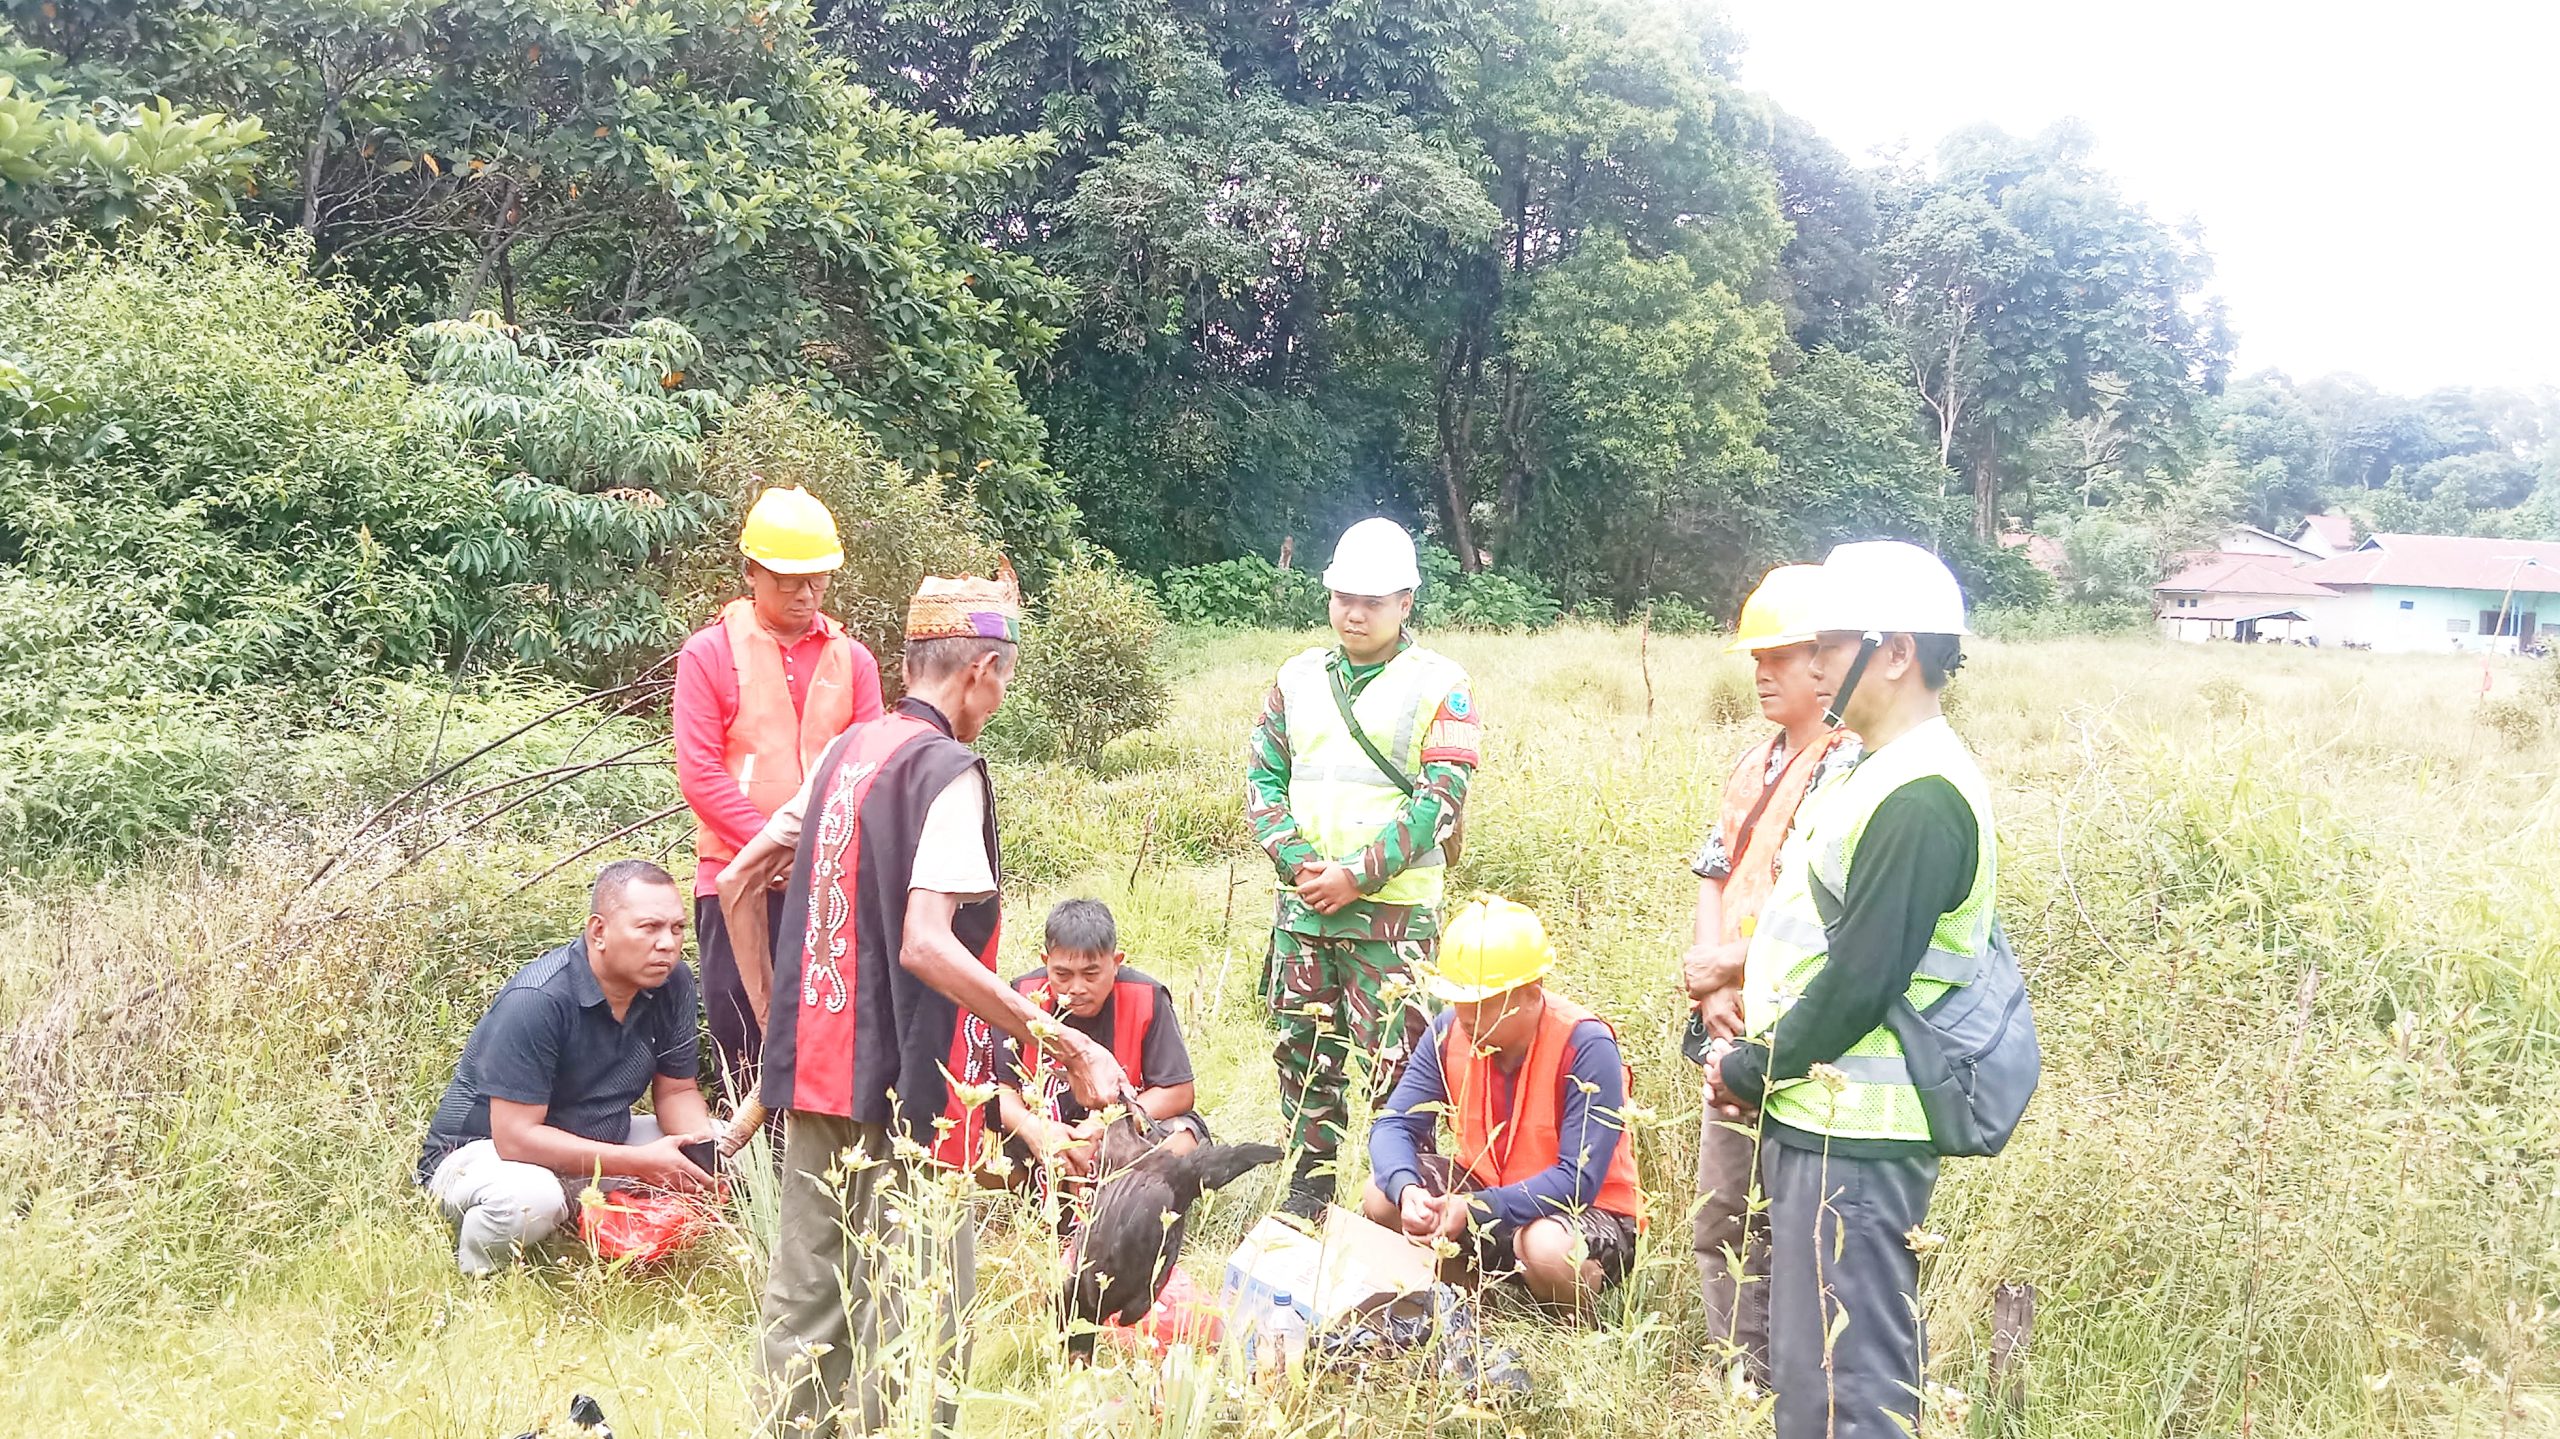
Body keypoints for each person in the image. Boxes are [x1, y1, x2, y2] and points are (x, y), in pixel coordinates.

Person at [714, 568, 1130, 1438]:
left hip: (814, 1077)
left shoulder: (844, 752)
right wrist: (1068, 1045)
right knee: (918, 1308)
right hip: (912, 1081)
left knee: (806, 1304)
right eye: (1005, 677)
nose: (1002, 696)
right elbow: (925, 943)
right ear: (980, 668)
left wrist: (776, 1014)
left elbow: (740, 876)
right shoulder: (948, 771)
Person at [1706, 540, 1998, 1439]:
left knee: (1854, 1382)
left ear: (1898, 652)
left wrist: (1759, 1063)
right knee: (1810, 1373)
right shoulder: (1873, 770)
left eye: (1832, 642)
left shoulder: (1922, 795)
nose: (1816, 659)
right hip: (1821, 1116)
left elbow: (1863, 977)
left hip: (1861, 1138)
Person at [1247, 517, 1479, 1218]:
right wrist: (1300, 865)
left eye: (1373, 601)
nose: (1354, 611)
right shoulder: (1296, 677)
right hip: (1305, 911)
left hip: (1393, 921)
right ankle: (1308, 1190)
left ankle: (1399, 1203)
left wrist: (1355, 874)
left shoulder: (1442, 684)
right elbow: (1263, 780)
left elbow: (1442, 800)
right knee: (1303, 1052)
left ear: (1406, 602)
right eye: (1343, 595)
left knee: (1401, 1068)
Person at [1682, 564, 1861, 1385]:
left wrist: (1736, 964)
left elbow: (1847, 920)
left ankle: (1799, 1380)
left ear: (1829, 659)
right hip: (1731, 1025)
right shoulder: (1753, 763)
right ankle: (1737, 1379)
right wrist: (1715, 981)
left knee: (1798, 1218)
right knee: (1721, 1209)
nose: (1763, 674)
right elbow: (1715, 872)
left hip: (1804, 1029)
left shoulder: (1856, 768)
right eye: (1756, 657)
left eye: (1781, 657)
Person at [673, 484, 881, 1106]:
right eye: (788, 579)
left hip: (827, 882)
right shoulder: (708, 654)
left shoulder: (855, 660)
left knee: (823, 1032)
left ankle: (811, 1178)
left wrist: (813, 853)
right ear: (752, 574)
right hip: (734, 879)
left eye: (816, 579)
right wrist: (773, 848)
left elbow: (872, 768)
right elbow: (700, 773)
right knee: (740, 1032)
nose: (805, 594)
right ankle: (745, 1185)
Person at [416, 860, 716, 1276]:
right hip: (484, 1156)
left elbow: (677, 1091)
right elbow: (515, 1139)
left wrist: (701, 1156)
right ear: (598, 932)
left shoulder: (672, 982)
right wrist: (640, 1164)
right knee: (530, 1198)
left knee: (722, 1146)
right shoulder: (538, 998)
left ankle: (590, 1225)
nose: (667, 943)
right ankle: (481, 1278)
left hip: (596, 1141)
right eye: (649, 927)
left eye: (677, 928)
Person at [1362, 895, 1642, 1315]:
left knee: (1547, 1247)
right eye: (1459, 999)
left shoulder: (1586, 1046)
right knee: (1379, 1193)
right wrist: (1408, 1191)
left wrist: (1474, 1208)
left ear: (1531, 993)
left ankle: (1565, 1323)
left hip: (1582, 1214)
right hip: (1486, 1197)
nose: (1466, 1014)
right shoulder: (1450, 1031)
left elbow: (1577, 1181)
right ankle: (1475, 1303)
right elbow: (1393, 1125)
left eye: (1484, 1001)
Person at [998, 898, 1206, 1188]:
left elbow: (1178, 1092)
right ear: (1045, 963)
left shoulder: (1147, 997)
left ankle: (1125, 1198)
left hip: (1122, 1133)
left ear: (1116, 963)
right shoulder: (1020, 996)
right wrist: (1036, 1129)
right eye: (1062, 975)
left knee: (1184, 1141)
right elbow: (1001, 1090)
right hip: (1041, 1135)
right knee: (977, 1140)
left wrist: (1103, 1126)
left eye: (1091, 974)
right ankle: (1036, 1193)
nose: (1077, 988)